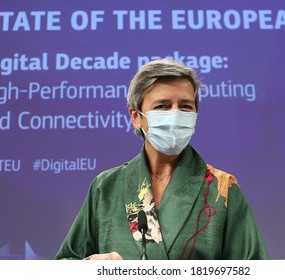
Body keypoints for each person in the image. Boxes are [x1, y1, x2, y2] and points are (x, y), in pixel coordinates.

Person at [55, 59, 268, 260]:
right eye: (162, 106)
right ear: (136, 116)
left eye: (185, 106)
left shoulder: (222, 189)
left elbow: (257, 271)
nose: (175, 114)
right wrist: (91, 265)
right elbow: (65, 263)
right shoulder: (107, 188)